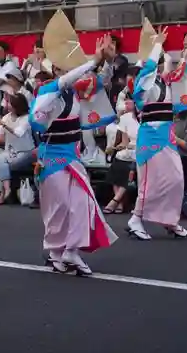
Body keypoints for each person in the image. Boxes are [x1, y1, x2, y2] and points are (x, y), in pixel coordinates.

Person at [29, 34, 117, 276]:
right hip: (51, 157)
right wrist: (93, 60)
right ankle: (57, 253)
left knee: (82, 203)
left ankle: (71, 250)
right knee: (59, 208)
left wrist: (107, 62)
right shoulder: (46, 90)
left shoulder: (76, 91)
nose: (73, 72)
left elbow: (103, 82)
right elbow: (64, 81)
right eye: (67, 67)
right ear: (55, 68)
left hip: (72, 155)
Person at [127, 28, 187, 240]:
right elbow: (149, 69)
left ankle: (170, 220)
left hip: (166, 136)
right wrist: (157, 45)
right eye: (163, 62)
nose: (168, 66)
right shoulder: (145, 85)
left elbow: (186, 70)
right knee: (148, 181)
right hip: (150, 137)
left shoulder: (167, 82)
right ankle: (136, 218)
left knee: (175, 179)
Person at [0, 93, 35, 205]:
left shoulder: (26, 118)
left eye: (11, 104)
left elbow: (18, 133)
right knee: (0, 160)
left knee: (4, 164)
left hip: (26, 152)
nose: (8, 106)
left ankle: (2, 194)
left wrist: (4, 125)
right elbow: (0, 136)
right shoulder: (6, 117)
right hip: (10, 151)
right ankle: (7, 190)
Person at [104, 105, 139, 214]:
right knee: (118, 160)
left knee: (128, 168)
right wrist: (119, 146)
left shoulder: (147, 118)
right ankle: (119, 201)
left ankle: (115, 200)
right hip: (128, 148)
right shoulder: (125, 118)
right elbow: (125, 141)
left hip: (142, 148)